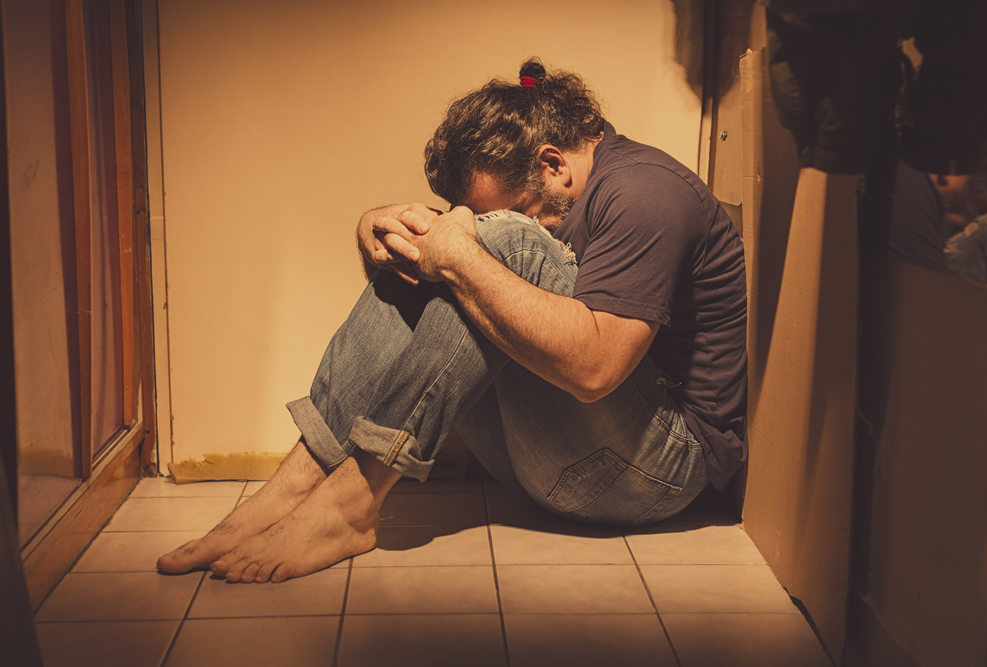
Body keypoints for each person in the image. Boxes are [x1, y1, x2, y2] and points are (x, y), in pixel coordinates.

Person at [157, 58, 748, 584]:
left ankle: (352, 504)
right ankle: (288, 491)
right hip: (542, 466)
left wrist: (462, 250)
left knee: (491, 247)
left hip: (654, 473)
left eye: (524, 208)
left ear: (554, 165)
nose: (522, 222)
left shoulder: (648, 192)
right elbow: (454, 253)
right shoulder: (556, 192)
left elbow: (595, 370)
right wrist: (378, 230)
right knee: (444, 249)